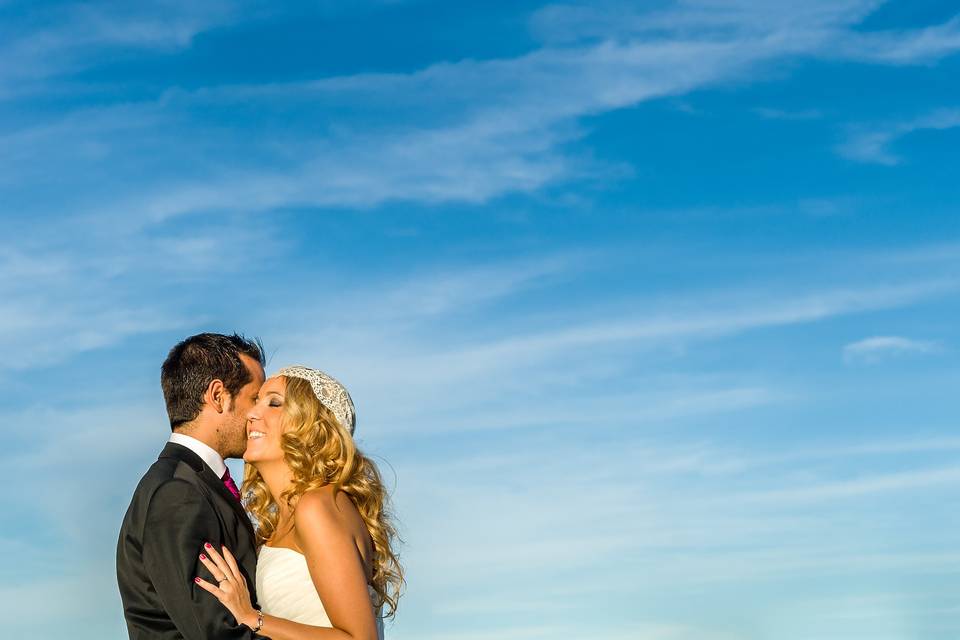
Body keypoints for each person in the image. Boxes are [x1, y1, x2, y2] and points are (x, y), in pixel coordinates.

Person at [194, 366, 403, 640]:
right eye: (256, 401)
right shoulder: (279, 523)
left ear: (311, 428)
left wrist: (251, 618)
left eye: (274, 403)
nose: (253, 413)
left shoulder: (316, 506)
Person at [116, 333, 267, 639]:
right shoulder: (177, 495)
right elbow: (214, 633)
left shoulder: (191, 483)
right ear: (218, 396)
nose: (258, 414)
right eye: (255, 398)